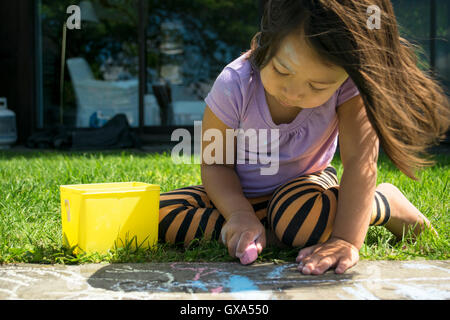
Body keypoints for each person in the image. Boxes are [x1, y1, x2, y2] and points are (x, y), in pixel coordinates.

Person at [158, 0, 449, 275]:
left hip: (307, 187)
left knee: (297, 219)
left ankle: (383, 202)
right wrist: (238, 214)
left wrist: (346, 239)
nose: (294, 93)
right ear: (263, 45)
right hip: (243, 196)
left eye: (317, 85)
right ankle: (264, 233)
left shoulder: (348, 88)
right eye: (282, 70)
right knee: (158, 213)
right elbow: (216, 166)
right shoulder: (234, 85)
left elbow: (360, 162)